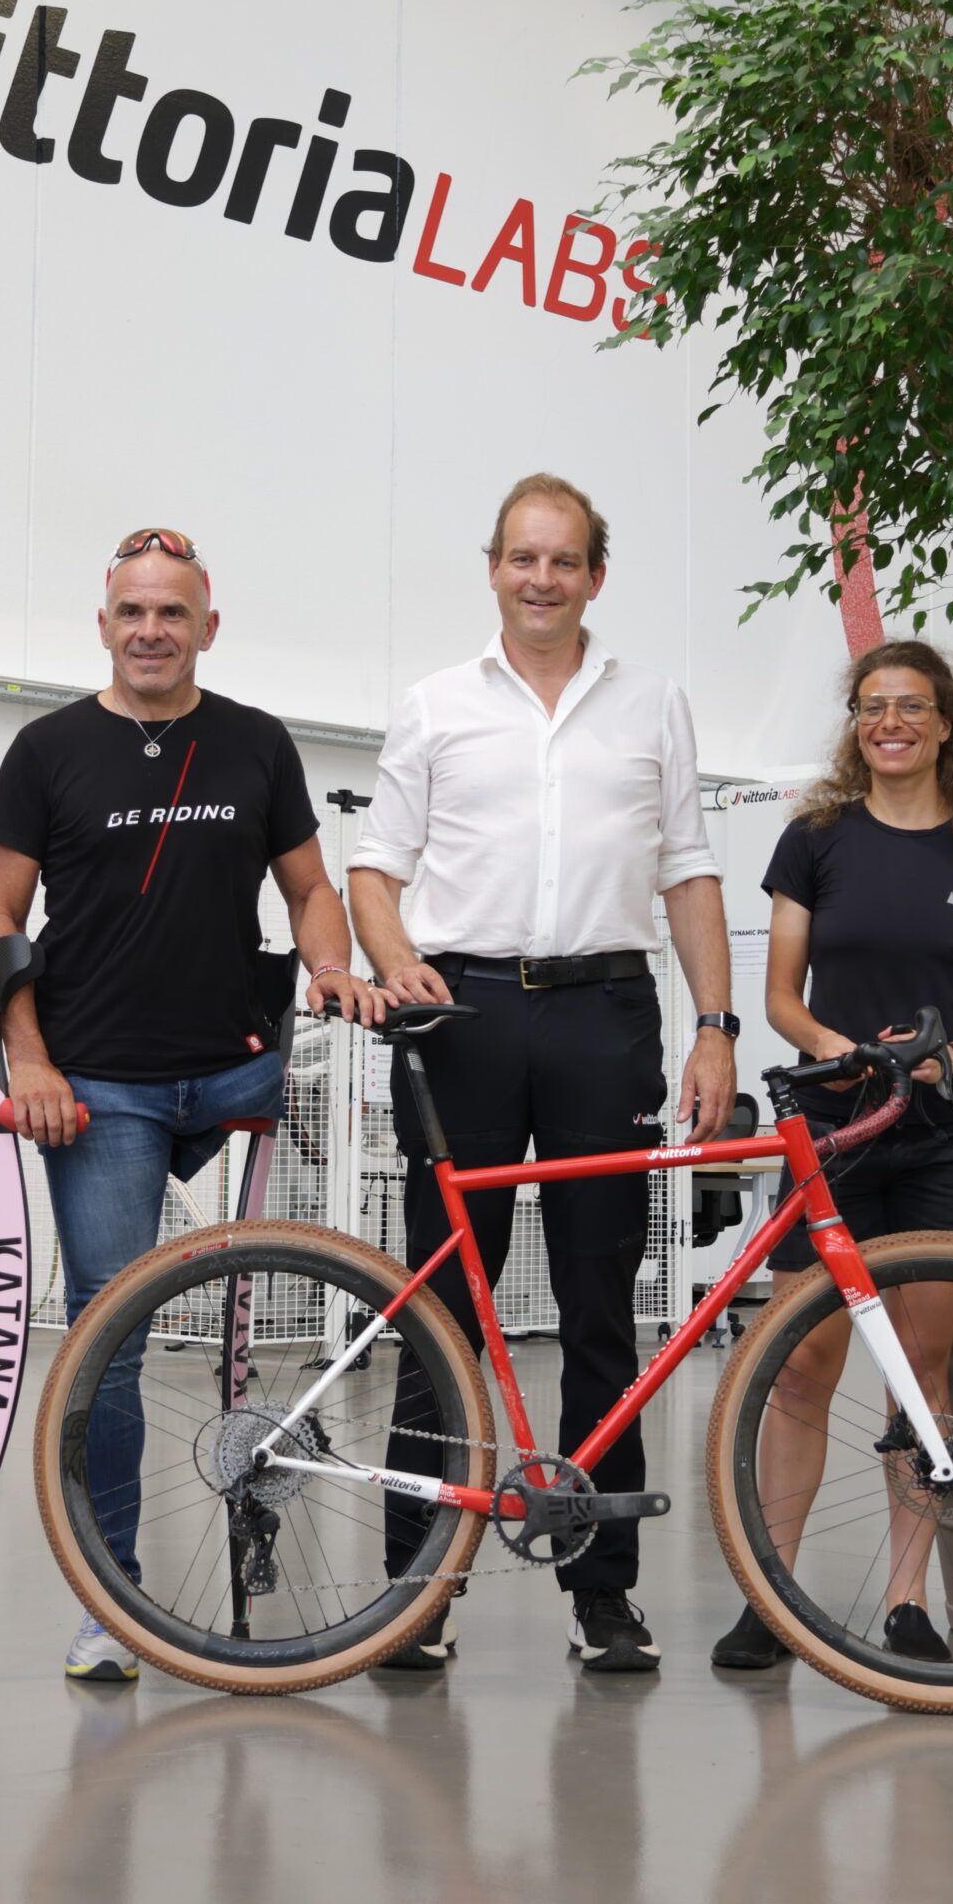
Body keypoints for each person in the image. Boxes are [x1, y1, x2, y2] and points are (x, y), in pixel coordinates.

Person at [0, 526, 384, 1683]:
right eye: (132, 611)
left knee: (267, 1312)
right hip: (98, 1084)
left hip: (239, 1066)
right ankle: (114, 1596)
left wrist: (332, 964)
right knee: (111, 1337)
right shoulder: (47, 751)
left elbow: (310, 887)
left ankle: (270, 1502)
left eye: (171, 612)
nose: (150, 630)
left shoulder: (255, 742)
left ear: (207, 625)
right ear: (103, 625)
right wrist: (28, 1062)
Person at [349, 473, 737, 1676]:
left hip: (604, 1016)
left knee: (600, 1309)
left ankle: (602, 1589)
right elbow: (374, 867)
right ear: (494, 568)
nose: (542, 578)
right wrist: (398, 961)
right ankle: (417, 1587)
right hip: (460, 1014)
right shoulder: (435, 705)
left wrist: (715, 1026)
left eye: (564, 559)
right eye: (523, 557)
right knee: (441, 1308)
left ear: (595, 575)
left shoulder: (653, 702)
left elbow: (689, 869)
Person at [711, 636, 953, 1673]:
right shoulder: (814, 840)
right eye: (871, 706)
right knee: (800, 1365)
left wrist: (945, 1061)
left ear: (945, 724)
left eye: (910, 706)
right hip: (832, 1130)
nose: (889, 722)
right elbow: (781, 995)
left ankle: (907, 1602)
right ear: (856, 724)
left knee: (918, 1367)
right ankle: (773, 1596)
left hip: (942, 1137)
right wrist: (836, 1049)